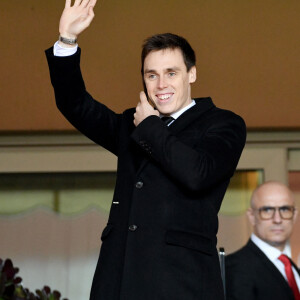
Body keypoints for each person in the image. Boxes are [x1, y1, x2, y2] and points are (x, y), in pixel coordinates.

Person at [45, 0, 246, 299]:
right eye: (151, 75)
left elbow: (198, 174)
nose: (160, 84)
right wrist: (67, 39)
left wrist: (150, 127)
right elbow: (76, 105)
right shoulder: (131, 123)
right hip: (119, 279)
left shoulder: (223, 123)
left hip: (182, 284)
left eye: (171, 73)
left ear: (191, 74)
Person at [225, 181, 300, 300]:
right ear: (252, 216)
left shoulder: (290, 267)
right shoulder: (235, 268)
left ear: (294, 215)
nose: (277, 219)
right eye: (267, 210)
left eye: (285, 209)